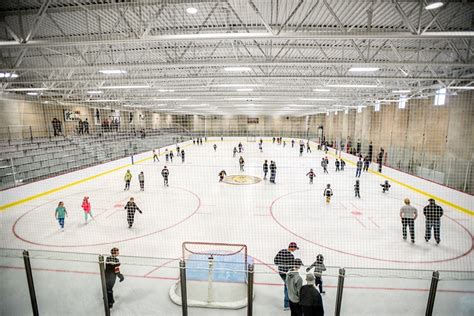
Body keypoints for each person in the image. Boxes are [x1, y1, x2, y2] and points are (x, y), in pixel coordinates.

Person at [274, 242, 299, 311]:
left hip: (281, 272)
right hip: (287, 274)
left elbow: (275, 261)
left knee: (288, 286)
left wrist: (281, 264)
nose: (295, 250)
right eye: (295, 248)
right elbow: (292, 268)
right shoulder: (291, 257)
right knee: (288, 287)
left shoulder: (282, 251)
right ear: (292, 247)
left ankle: (289, 303)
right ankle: (287, 304)